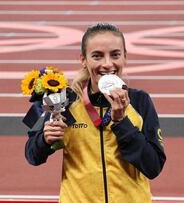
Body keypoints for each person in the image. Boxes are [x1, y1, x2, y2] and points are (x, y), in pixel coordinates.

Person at [24, 22, 166, 203]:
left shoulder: (140, 101)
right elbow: (31, 155)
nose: (107, 64)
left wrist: (122, 122)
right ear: (83, 59)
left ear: (125, 58)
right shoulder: (62, 99)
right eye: (97, 56)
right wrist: (44, 140)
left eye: (115, 55)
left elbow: (153, 167)